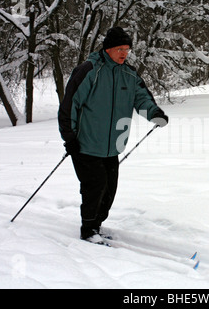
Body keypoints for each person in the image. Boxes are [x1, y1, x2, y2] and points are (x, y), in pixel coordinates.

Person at [58, 27, 168, 242]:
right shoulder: (90, 70)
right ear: (108, 49)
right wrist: (69, 137)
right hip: (85, 144)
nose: (124, 53)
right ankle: (88, 230)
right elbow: (70, 104)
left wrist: (154, 113)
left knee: (108, 191)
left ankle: (96, 225)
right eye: (120, 49)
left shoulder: (129, 74)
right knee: (94, 188)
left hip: (113, 145)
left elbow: (141, 99)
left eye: (127, 49)